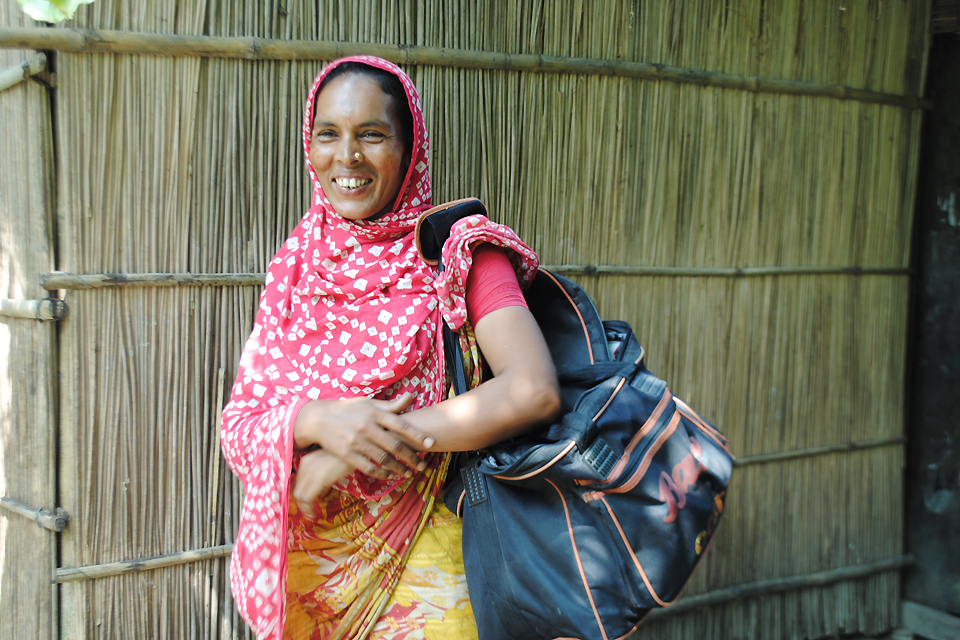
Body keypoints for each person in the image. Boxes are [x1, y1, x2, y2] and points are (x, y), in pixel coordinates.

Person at [220, 55, 560, 640]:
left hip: (427, 568)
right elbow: (240, 425)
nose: (346, 157)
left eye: (371, 134)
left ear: (410, 149)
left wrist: (362, 445)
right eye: (328, 134)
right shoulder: (298, 264)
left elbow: (533, 391)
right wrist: (317, 420)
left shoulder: (458, 253)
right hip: (308, 583)